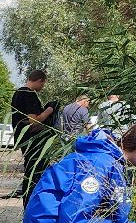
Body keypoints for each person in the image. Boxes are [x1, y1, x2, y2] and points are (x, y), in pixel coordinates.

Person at [10, 69, 89, 203]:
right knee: (35, 172)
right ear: (40, 80)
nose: (42, 87)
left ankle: (30, 202)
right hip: (33, 141)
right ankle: (33, 203)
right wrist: (50, 109)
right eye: (43, 84)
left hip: (25, 140)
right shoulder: (29, 94)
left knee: (30, 171)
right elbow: (34, 121)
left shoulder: (18, 93)